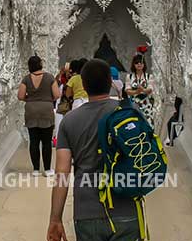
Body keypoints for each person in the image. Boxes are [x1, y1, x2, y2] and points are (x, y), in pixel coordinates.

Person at [49, 58, 141, 241]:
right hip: (126, 207)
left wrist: (55, 218)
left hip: (87, 212)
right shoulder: (129, 114)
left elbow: (62, 173)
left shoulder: (70, 121)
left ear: (83, 84)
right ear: (110, 82)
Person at [17, 55, 61, 176]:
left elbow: (20, 96)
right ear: (41, 64)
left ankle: (35, 169)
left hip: (31, 110)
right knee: (47, 141)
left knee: (34, 140)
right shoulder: (49, 77)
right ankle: (47, 169)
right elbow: (57, 94)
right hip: (46, 109)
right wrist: (47, 99)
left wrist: (30, 99)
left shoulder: (26, 79)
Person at [126, 54, 157, 128]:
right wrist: (137, 91)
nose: (139, 64)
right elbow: (127, 90)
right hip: (134, 106)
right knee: (135, 125)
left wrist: (142, 90)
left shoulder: (149, 77)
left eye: (141, 62)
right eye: (137, 62)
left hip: (147, 106)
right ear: (133, 65)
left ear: (144, 64)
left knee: (149, 125)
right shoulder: (129, 77)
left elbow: (150, 89)